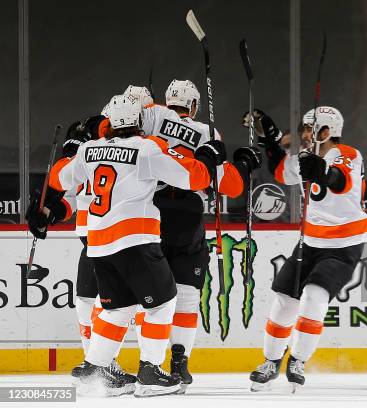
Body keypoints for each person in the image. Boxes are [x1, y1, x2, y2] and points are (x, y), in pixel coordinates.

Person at [29, 94, 225, 397]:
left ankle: (95, 368)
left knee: (117, 308)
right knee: (163, 302)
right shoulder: (145, 149)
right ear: (137, 122)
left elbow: (58, 178)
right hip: (135, 240)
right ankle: (150, 372)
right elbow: (193, 178)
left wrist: (43, 206)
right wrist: (210, 155)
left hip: (98, 245)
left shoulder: (89, 150)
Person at [127, 81, 261, 392]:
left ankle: (151, 365)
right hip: (188, 217)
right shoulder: (207, 132)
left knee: (152, 299)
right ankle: (180, 364)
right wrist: (243, 163)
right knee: (187, 296)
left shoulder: (152, 114)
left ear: (167, 100)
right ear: (196, 105)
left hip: (151, 213)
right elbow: (231, 186)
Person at [246, 107, 367, 391]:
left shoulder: (349, 153)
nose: (303, 134)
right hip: (309, 241)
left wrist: (323, 171)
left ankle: (298, 360)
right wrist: (269, 141)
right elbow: (280, 170)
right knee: (284, 302)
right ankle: (271, 362)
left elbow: (340, 180)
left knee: (314, 297)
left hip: (343, 245)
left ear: (325, 132)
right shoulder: (303, 157)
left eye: (308, 129)